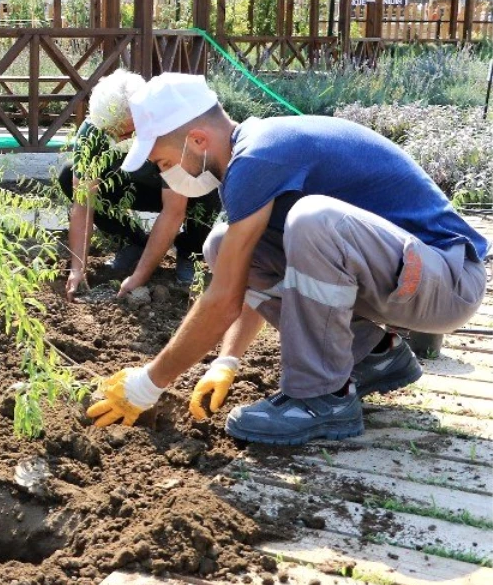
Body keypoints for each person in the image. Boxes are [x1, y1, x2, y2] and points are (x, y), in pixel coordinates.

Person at [85, 73, 488, 446]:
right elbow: (239, 279)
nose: (165, 175)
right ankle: (374, 355)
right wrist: (227, 359)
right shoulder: (252, 156)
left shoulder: (258, 159)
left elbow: (223, 299)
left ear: (197, 140)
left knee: (314, 221)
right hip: (407, 279)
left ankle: (321, 398)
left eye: (164, 163)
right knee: (222, 245)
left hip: (448, 282)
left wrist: (148, 384)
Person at [60, 69, 220, 300]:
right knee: (69, 176)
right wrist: (78, 267)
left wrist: (140, 276)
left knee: (206, 181)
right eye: (112, 133)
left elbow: (174, 211)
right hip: (137, 182)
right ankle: (133, 241)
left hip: (184, 187)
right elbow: (83, 203)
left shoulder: (170, 127)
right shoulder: (94, 129)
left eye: (125, 131)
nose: (120, 138)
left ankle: (190, 252)